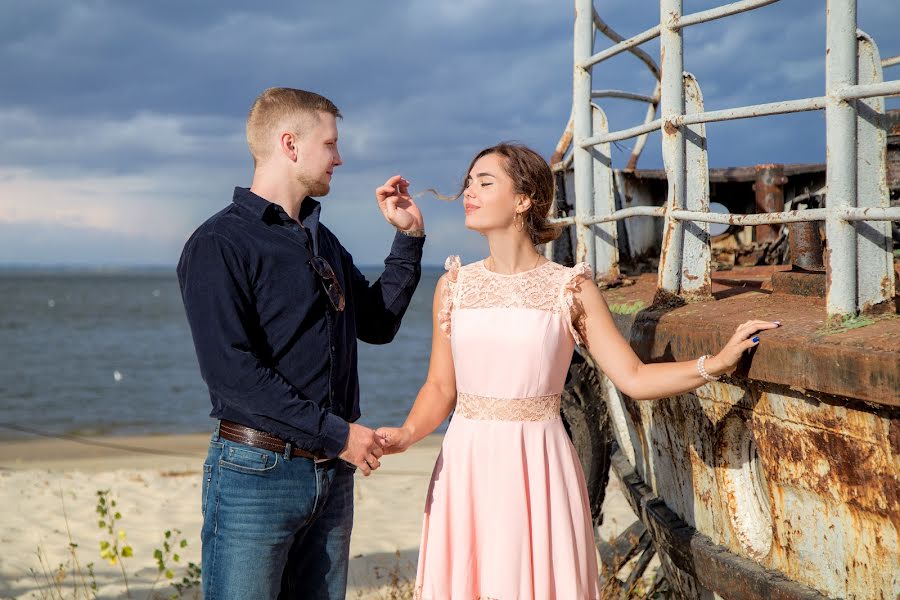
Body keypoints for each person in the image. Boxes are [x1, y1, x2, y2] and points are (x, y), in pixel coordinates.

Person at [375, 142, 780, 599]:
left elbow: (634, 377)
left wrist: (717, 364)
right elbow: (440, 386)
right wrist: (407, 434)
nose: (469, 191)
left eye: (485, 182)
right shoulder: (453, 286)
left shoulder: (570, 289)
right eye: (468, 182)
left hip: (540, 465)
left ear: (525, 199)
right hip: (465, 464)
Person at [176, 87, 426, 600]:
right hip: (254, 477)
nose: (340, 157)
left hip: (331, 478)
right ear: (290, 144)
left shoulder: (320, 239)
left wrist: (408, 240)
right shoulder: (218, 244)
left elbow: (376, 323)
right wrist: (340, 435)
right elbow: (233, 375)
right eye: (330, 144)